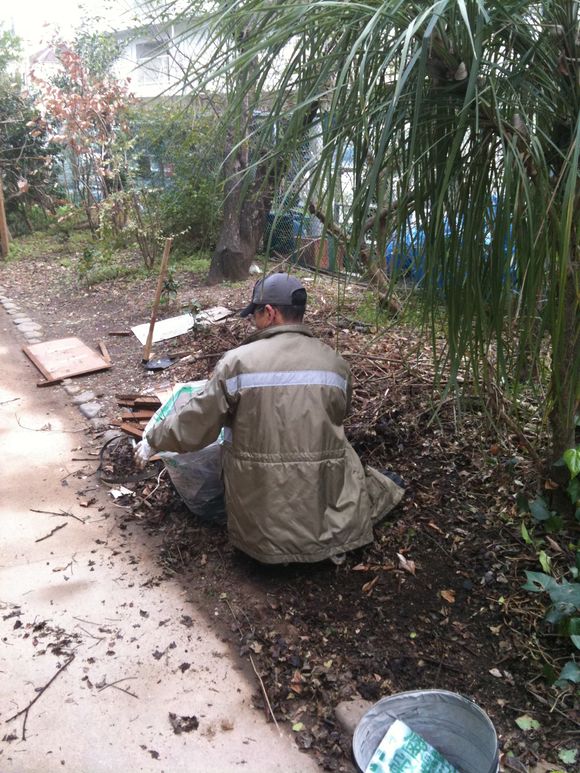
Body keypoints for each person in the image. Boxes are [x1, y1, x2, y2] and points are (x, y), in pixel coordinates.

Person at [140, 272, 404, 564]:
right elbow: (341, 413)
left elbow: (197, 422)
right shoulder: (335, 363)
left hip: (260, 536)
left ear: (270, 312)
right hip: (327, 527)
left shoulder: (237, 363)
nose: (253, 322)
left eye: (255, 314)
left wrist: (154, 439)